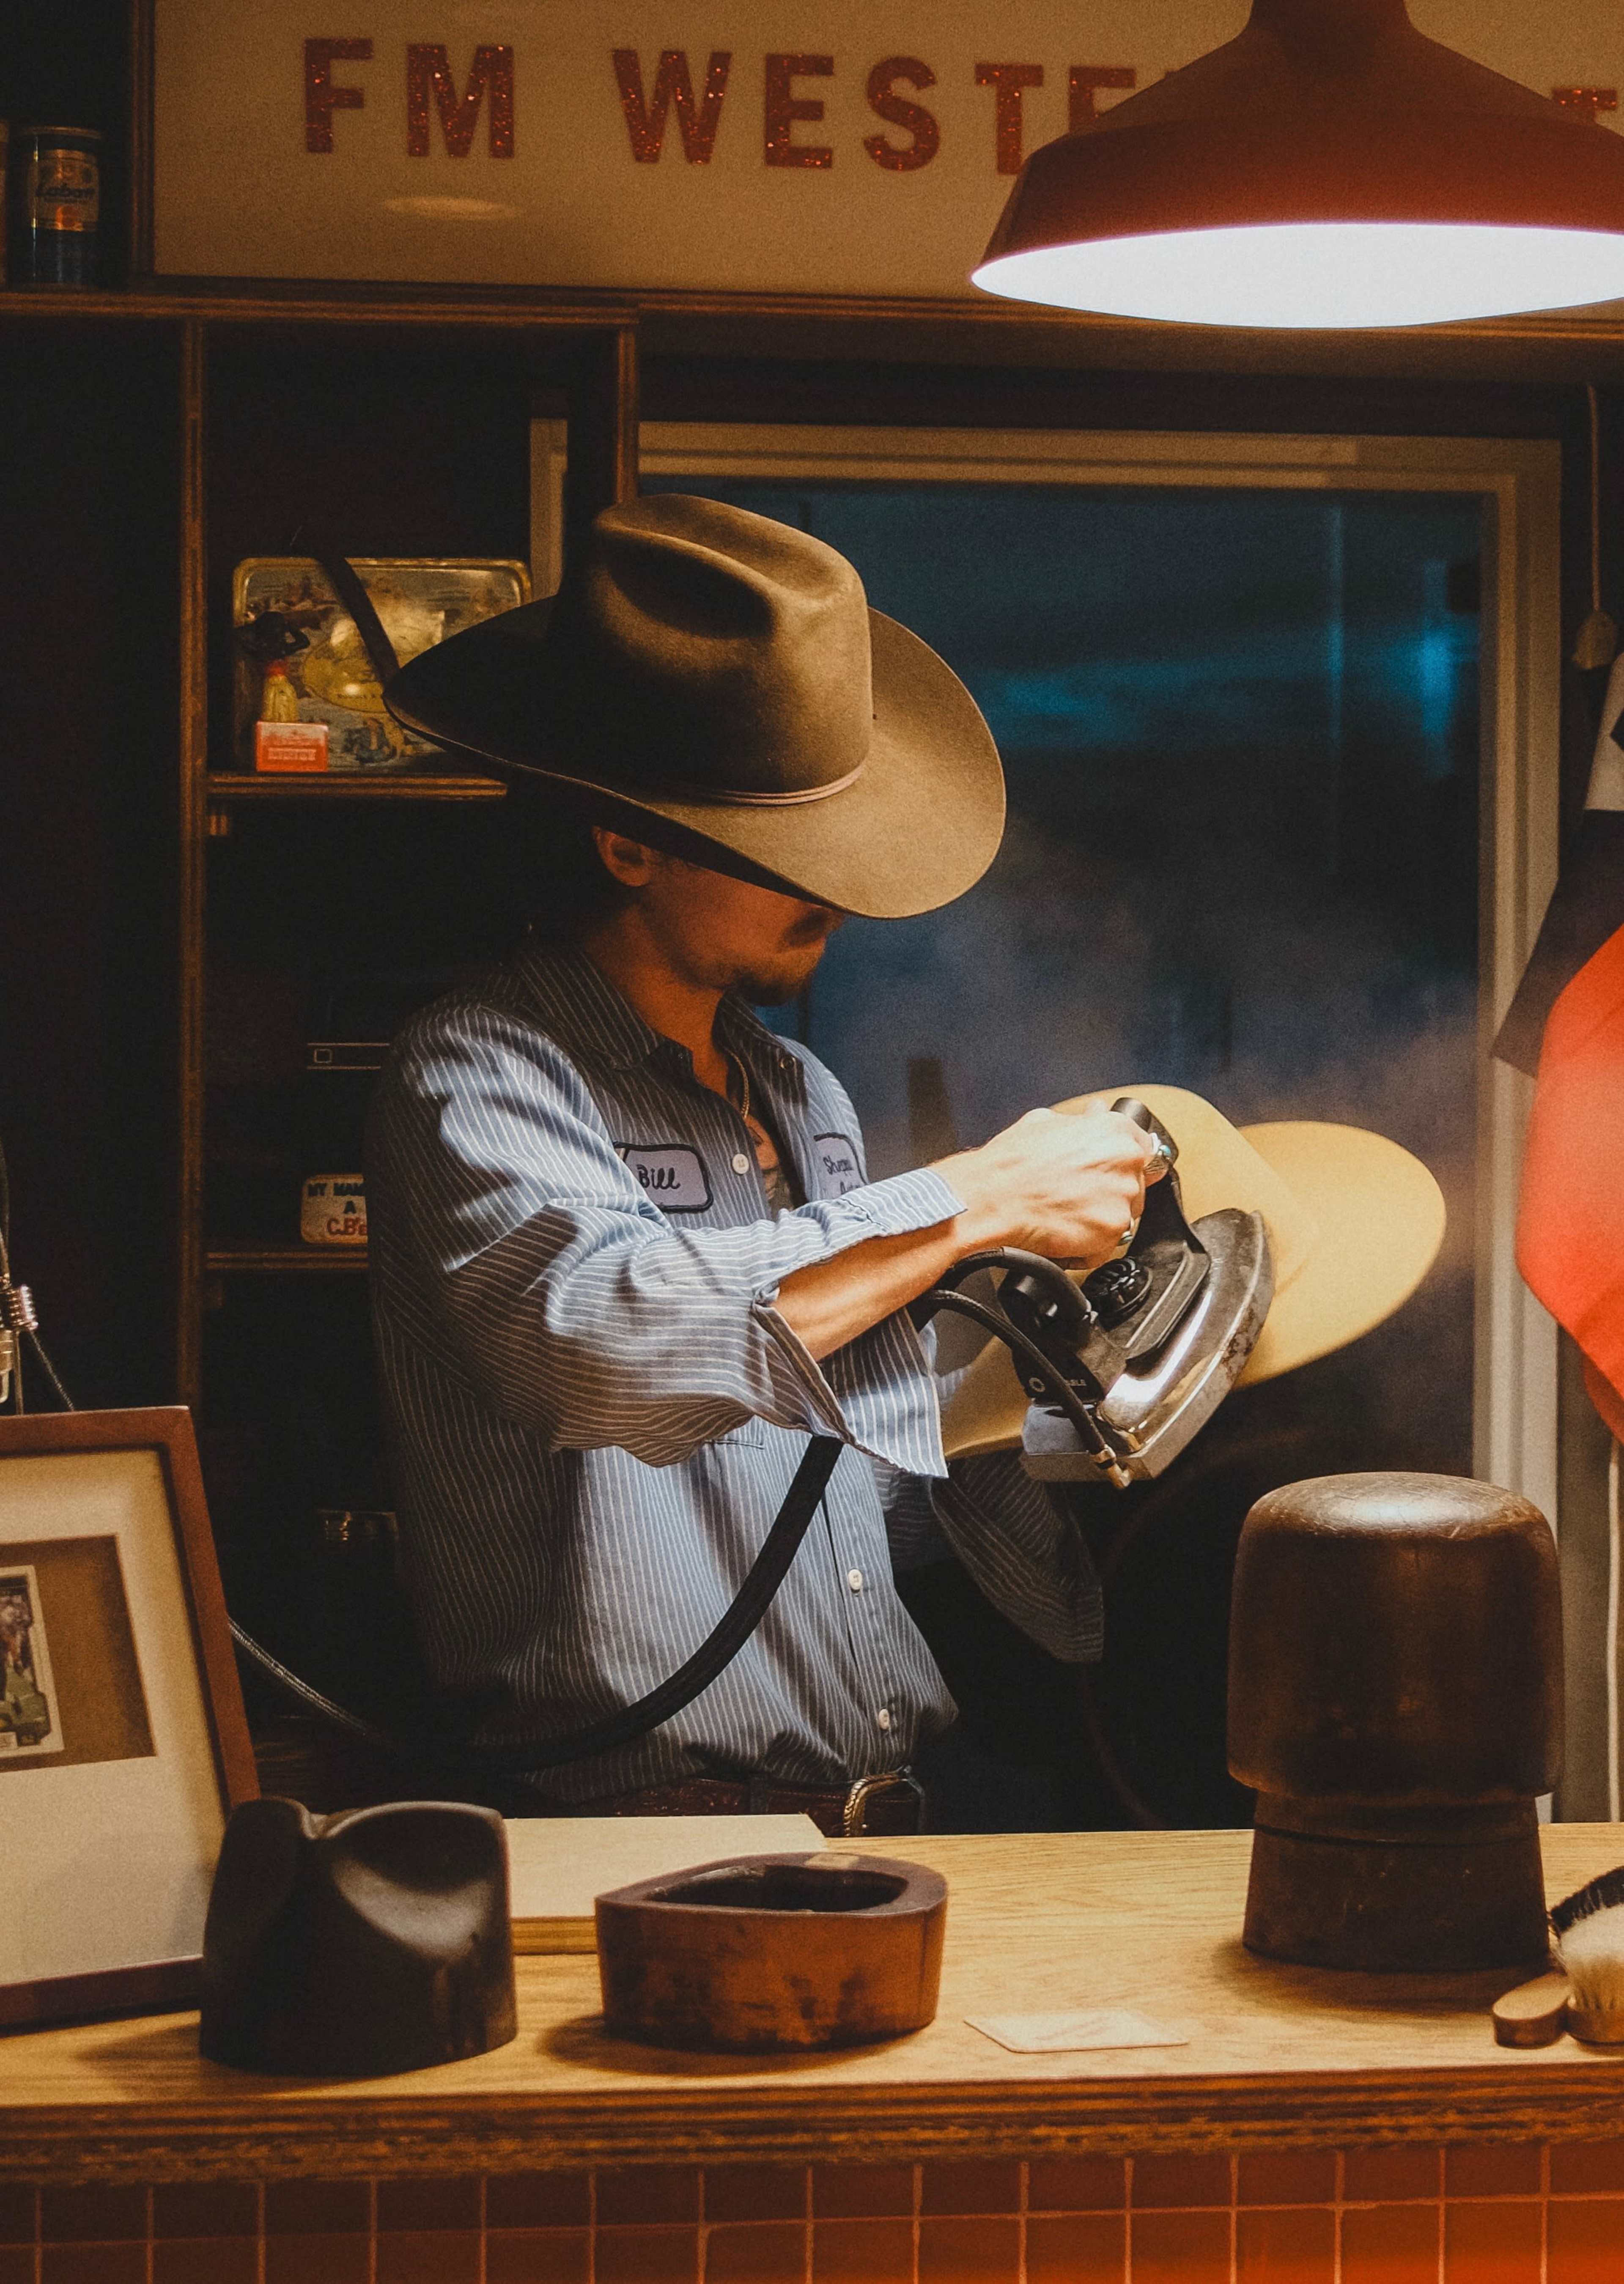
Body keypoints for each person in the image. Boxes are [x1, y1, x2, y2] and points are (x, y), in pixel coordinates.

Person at [367, 494, 1160, 1835]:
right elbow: (607, 1345)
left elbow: (856, 1508)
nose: (836, 889)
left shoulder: (804, 1095)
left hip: (888, 1810)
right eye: (789, 853)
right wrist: (983, 1194)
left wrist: (1030, 1389)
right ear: (628, 846)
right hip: (645, 1834)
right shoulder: (482, 1072)